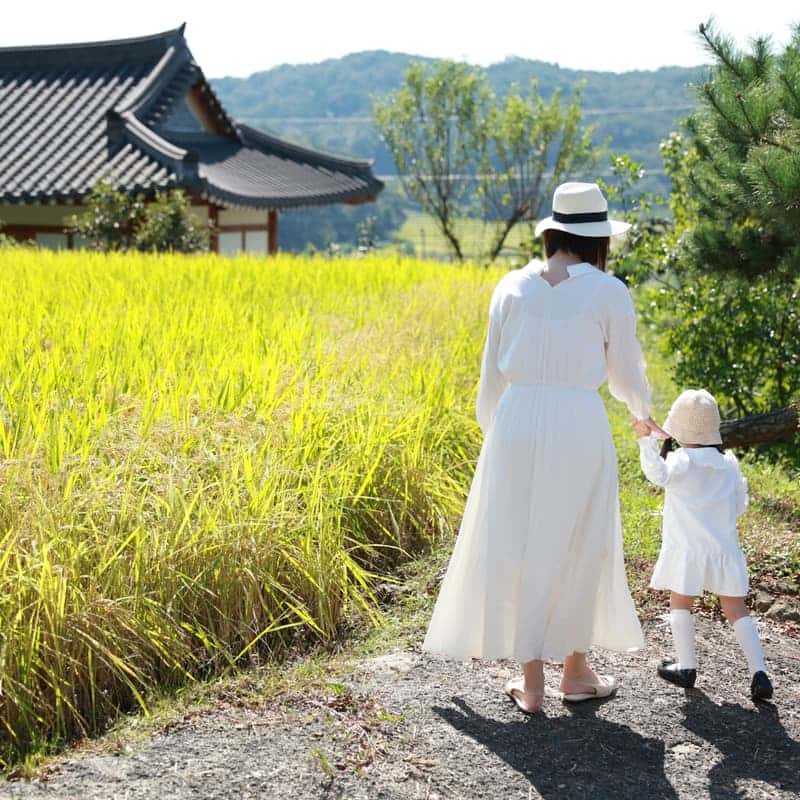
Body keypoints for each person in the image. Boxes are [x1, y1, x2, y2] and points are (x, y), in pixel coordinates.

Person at [422, 182, 665, 714]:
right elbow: (626, 372)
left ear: (553, 231)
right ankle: (575, 672)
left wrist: (498, 434)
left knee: (519, 541)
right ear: (598, 239)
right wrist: (641, 413)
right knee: (582, 538)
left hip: (515, 421)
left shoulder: (511, 286)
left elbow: (490, 377)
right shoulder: (608, 291)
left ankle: (531, 682)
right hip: (578, 419)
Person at [633, 389, 774, 702]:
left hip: (688, 550)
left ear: (679, 429)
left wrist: (646, 440)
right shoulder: (729, 464)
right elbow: (740, 505)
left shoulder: (682, 462)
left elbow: (657, 474)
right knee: (737, 609)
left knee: (680, 602)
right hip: (724, 550)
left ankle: (687, 667)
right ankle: (759, 672)